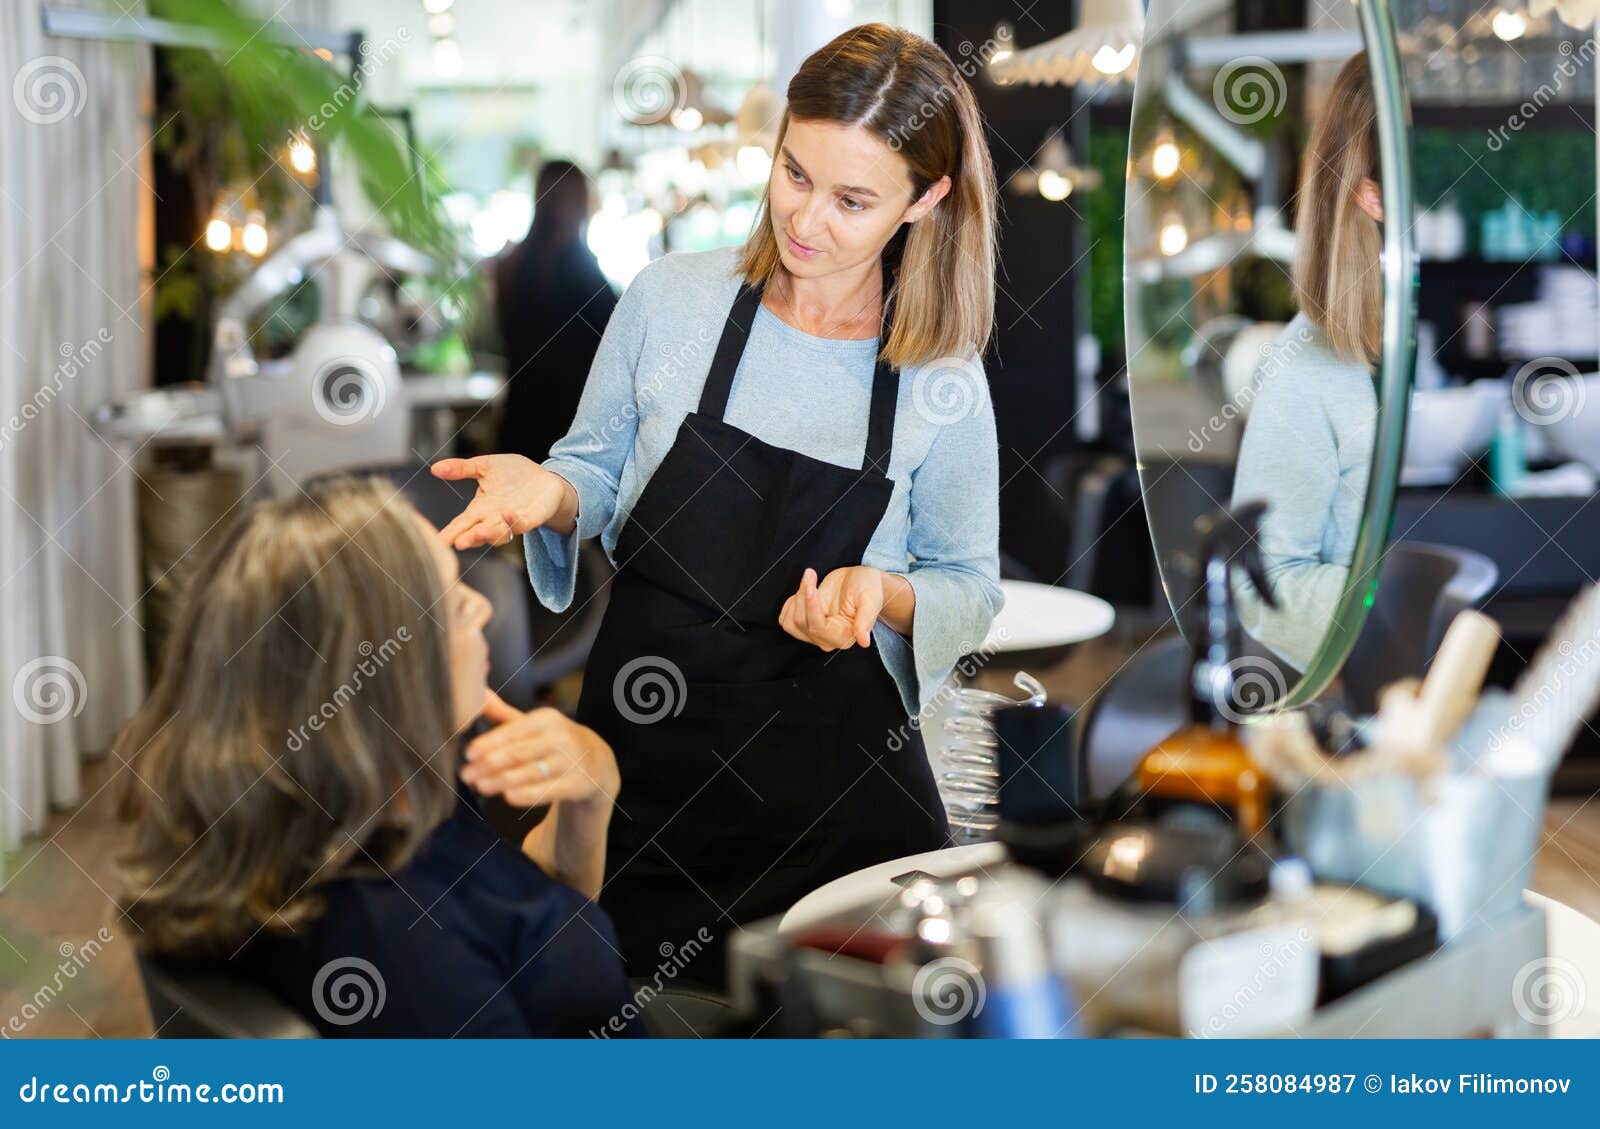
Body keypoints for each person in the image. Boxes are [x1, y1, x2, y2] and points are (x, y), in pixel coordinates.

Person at [432, 23, 1003, 986]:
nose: (807, 220)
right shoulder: (668, 300)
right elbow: (598, 472)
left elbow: (969, 585)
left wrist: (881, 594)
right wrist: (555, 488)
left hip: (836, 809)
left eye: (854, 199)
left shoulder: (939, 375)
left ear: (927, 201)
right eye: (794, 173)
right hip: (643, 775)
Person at [116, 477, 639, 1037]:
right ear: (386, 670)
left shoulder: (333, 804)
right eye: (453, 602)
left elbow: (526, 937)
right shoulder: (404, 951)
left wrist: (591, 795)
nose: (484, 608)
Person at [1231, 53, 1382, 673]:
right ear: (1373, 196)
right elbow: (1262, 584)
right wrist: (1409, 602)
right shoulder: (1307, 371)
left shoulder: (1415, 333)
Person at [494, 159, 619, 463]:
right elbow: (619, 331)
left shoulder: (513, 263)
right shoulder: (578, 266)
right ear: (579, 201)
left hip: (519, 419)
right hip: (569, 428)